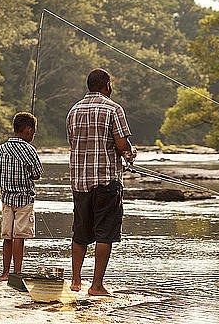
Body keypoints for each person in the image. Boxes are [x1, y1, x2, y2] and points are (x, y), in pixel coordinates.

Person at [66, 68, 136, 296]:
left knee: (80, 232)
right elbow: (121, 145)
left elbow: (72, 142)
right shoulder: (113, 109)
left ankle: (75, 281)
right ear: (107, 85)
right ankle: (96, 286)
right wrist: (130, 153)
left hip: (80, 182)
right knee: (104, 233)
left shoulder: (73, 111)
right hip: (106, 181)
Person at [0, 112, 43, 282]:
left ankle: (5, 273)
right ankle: (16, 273)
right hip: (24, 200)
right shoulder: (30, 150)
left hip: (6, 199)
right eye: (33, 133)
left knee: (7, 236)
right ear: (29, 130)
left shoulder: (1, 149)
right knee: (19, 237)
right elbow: (37, 174)